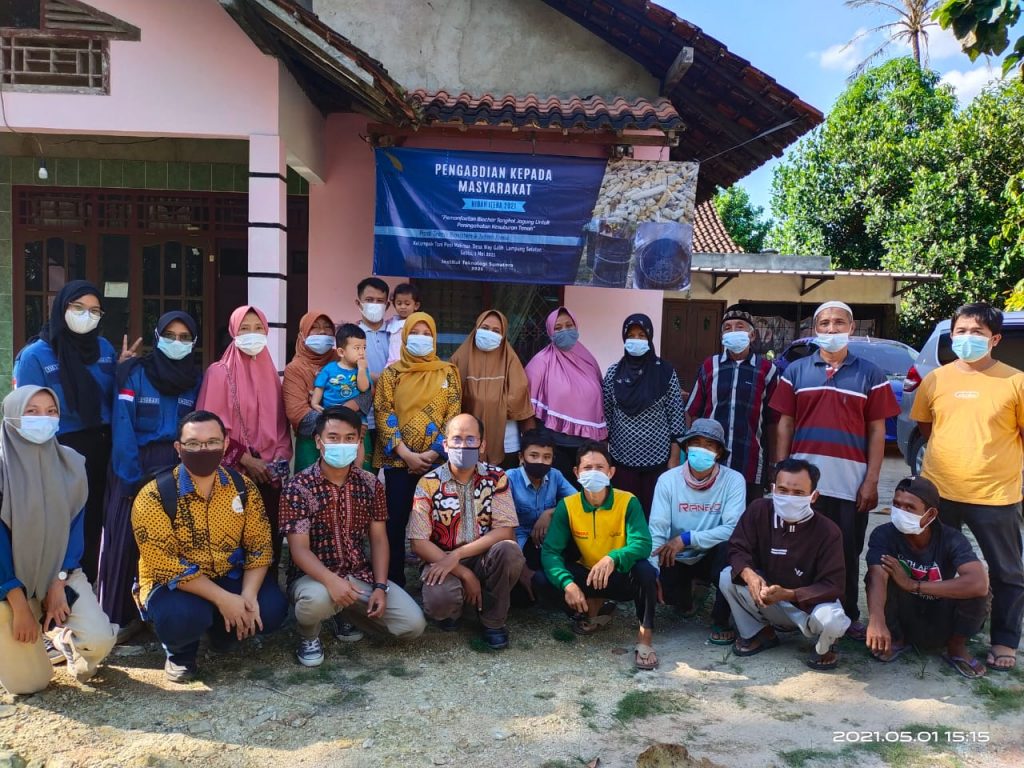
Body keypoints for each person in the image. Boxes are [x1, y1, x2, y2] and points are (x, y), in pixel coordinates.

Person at [769, 300, 899, 640]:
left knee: (846, 551)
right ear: (815, 329)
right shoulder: (795, 372)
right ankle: (799, 610)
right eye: (824, 323)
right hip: (802, 486)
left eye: (839, 323)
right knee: (799, 548)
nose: (831, 329)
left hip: (849, 484)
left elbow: (877, 431)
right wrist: (781, 473)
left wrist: (871, 481)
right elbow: (785, 423)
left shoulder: (870, 374)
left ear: (851, 328)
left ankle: (846, 614)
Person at [910, 302, 1024, 672]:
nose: (967, 338)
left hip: (995, 495)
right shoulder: (936, 380)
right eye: (961, 331)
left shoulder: (1015, 381)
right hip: (939, 492)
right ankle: (943, 631)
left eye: (977, 332)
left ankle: (1004, 638)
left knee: (1007, 572)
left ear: (995, 339)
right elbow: (927, 427)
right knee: (936, 566)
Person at [132, 410, 287, 682]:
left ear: (226, 444)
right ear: (178, 448)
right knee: (182, 616)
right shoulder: (154, 495)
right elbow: (166, 565)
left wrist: (247, 597)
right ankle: (180, 653)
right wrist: (224, 600)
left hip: (228, 573)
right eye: (193, 444)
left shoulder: (243, 487)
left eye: (212, 442)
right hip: (177, 584)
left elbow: (260, 546)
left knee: (272, 607)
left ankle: (223, 634)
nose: (203, 450)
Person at [14, 280, 140, 580]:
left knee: (93, 523)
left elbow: (109, 396)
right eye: (79, 307)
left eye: (95, 311)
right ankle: (55, 589)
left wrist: (122, 368)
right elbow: (26, 412)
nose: (87, 315)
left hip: (102, 447)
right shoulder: (35, 355)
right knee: (61, 524)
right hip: (59, 449)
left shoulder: (103, 349)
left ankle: (85, 587)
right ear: (61, 309)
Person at [281, 407, 425, 666]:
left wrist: (380, 586)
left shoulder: (370, 484)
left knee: (412, 625)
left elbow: (378, 539)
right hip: (314, 578)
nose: (342, 444)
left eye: (349, 438)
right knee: (315, 601)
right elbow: (299, 549)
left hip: (358, 575)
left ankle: (343, 612)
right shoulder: (298, 486)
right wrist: (331, 581)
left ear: (359, 442)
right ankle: (309, 635)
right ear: (318, 441)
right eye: (333, 437)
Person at [0, 386, 116, 694]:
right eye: (32, 411)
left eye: (51, 412)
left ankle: (63, 639)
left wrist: (59, 581)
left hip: (59, 573)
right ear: (12, 416)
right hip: (7, 585)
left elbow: (76, 529)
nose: (44, 419)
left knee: (100, 641)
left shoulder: (71, 464)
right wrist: (19, 605)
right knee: (30, 684)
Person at [99, 311, 202, 640]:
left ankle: (163, 614)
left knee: (171, 541)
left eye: (185, 337)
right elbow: (123, 425)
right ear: (157, 337)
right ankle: (119, 617)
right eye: (169, 335)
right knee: (125, 540)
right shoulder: (135, 373)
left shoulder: (195, 379)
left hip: (178, 465)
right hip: (133, 463)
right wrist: (132, 478)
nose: (177, 342)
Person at [719, 458, 849, 670]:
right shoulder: (759, 510)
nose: (789, 498)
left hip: (807, 606)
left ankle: (826, 646)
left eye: (798, 493)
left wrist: (789, 594)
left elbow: (833, 585)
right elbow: (737, 547)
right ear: (773, 489)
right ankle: (761, 633)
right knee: (727, 576)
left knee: (833, 620)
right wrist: (749, 575)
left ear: (813, 496)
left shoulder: (828, 531)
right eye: (783, 490)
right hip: (767, 599)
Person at [407, 413, 524, 650]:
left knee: (509, 552)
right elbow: (419, 542)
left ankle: (493, 621)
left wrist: (459, 555)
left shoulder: (497, 477)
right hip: (441, 558)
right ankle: (456, 608)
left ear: (482, 445)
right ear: (445, 444)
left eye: (471, 439)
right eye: (457, 439)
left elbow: (505, 531)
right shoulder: (428, 482)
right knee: (440, 602)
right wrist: (464, 573)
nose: (463, 446)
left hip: (484, 557)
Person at [541, 441, 657, 669]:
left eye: (600, 467)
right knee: (542, 580)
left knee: (645, 571)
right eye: (587, 468)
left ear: (611, 472)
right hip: (587, 575)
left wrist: (613, 558)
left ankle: (645, 638)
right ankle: (592, 609)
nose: (593, 472)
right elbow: (550, 552)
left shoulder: (628, 501)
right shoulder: (568, 505)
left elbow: (643, 543)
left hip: (620, 576)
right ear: (576, 473)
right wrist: (567, 584)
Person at [864, 476, 989, 678]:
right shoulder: (884, 534)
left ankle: (956, 648)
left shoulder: (951, 538)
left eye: (909, 507)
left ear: (930, 514)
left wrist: (913, 584)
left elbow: (978, 583)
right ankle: (896, 638)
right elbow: (876, 575)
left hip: (941, 615)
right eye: (896, 504)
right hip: (904, 615)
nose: (900, 512)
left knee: (980, 592)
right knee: (875, 576)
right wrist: (876, 620)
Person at [197, 305, 292, 565]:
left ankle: (265, 587)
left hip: (268, 479)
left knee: (266, 544)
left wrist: (276, 462)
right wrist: (247, 461)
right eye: (245, 329)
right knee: (231, 548)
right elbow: (208, 429)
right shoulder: (219, 372)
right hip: (231, 476)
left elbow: (281, 428)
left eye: (258, 328)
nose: (253, 334)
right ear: (233, 333)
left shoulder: (272, 374)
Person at [373, 312, 462, 586]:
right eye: (414, 333)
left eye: (426, 334)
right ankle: (393, 582)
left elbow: (453, 415)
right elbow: (383, 412)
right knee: (395, 522)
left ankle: (438, 582)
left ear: (434, 339)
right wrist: (406, 454)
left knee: (438, 522)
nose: (420, 339)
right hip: (399, 462)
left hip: (436, 463)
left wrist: (434, 453)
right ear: (404, 336)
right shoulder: (391, 374)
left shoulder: (448, 372)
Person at [649, 419, 746, 645]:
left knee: (731, 552)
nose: (702, 449)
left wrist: (687, 538)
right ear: (686, 447)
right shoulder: (668, 480)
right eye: (696, 443)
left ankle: (721, 619)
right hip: (676, 555)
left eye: (709, 445)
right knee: (672, 598)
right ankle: (690, 594)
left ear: (719, 452)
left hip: (712, 552)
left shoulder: (734, 480)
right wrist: (652, 571)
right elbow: (657, 529)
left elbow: (734, 529)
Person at [686, 305, 779, 506]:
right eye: (727, 328)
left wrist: (774, 463)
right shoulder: (710, 366)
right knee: (709, 513)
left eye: (739, 326)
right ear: (722, 336)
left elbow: (774, 422)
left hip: (750, 461)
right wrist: (692, 453)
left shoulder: (767, 370)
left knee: (747, 517)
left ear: (752, 335)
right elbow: (693, 412)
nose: (733, 331)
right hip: (710, 460)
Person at [602, 313, 686, 515]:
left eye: (641, 335)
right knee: (625, 513)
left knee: (654, 513)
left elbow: (676, 417)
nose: (636, 340)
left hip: (658, 461)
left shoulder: (665, 372)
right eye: (631, 335)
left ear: (649, 338)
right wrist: (605, 457)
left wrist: (674, 459)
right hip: (621, 460)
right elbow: (606, 416)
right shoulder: (613, 373)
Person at [525, 307, 607, 481]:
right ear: (550, 331)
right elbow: (526, 408)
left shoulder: (588, 359)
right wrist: (532, 445)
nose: (565, 331)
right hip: (554, 448)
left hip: (588, 448)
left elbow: (600, 394)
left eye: (569, 326)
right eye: (558, 328)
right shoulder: (540, 362)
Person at [451, 309, 536, 467]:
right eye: (485, 328)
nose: (489, 333)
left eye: (496, 331)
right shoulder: (459, 359)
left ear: (503, 335)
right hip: (467, 442)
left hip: (507, 444)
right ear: (476, 328)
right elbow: (450, 400)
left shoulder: (511, 360)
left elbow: (520, 401)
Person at [506, 427, 577, 600]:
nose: (540, 462)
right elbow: (503, 525)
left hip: (547, 540)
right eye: (534, 455)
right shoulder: (509, 478)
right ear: (521, 457)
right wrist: (521, 567)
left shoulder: (555, 476)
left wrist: (550, 513)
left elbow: (579, 502)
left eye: (546, 457)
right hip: (518, 542)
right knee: (523, 595)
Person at [283, 311, 337, 473]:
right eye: (315, 327)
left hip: (346, 445)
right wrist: (342, 421)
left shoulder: (343, 359)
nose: (322, 332)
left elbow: (364, 395)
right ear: (302, 334)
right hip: (310, 445)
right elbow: (298, 414)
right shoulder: (295, 369)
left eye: (327, 327)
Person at [356, 277, 393, 459]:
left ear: (387, 305)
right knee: (364, 467)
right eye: (369, 300)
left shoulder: (396, 334)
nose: (374, 305)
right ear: (359, 303)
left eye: (380, 301)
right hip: (363, 418)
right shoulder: (350, 336)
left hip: (392, 417)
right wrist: (376, 377)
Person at [311, 323, 370, 413]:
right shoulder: (329, 369)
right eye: (357, 348)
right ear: (341, 352)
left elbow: (364, 388)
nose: (362, 352)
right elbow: (319, 387)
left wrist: (362, 370)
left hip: (353, 413)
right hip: (330, 411)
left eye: (364, 348)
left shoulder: (362, 369)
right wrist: (314, 403)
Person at [386, 283, 422, 366]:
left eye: (407, 304)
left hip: (408, 364)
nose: (403, 307)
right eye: (399, 303)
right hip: (391, 365)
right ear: (394, 304)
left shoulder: (417, 323)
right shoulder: (391, 322)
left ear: (416, 305)